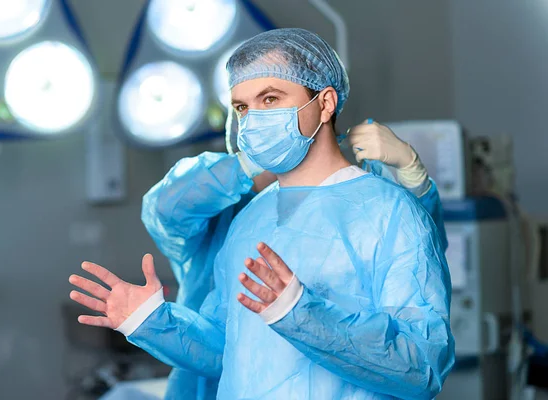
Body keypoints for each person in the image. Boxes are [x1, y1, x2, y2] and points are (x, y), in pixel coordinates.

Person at [70, 28, 454, 399]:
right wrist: (153, 323)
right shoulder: (251, 218)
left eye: (270, 99)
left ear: (325, 103)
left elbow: (423, 366)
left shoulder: (389, 212)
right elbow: (228, 349)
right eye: (242, 106)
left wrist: (303, 315)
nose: (252, 118)